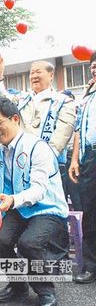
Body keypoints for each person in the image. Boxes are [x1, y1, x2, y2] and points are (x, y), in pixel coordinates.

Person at [0, 98, 68, 306]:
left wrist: (13, 199)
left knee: (29, 242)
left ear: (15, 119)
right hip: (16, 208)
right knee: (1, 240)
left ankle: (45, 290)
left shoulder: (38, 148)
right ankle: (18, 287)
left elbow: (38, 190)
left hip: (46, 209)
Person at [0, 54, 76, 168]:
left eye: (38, 72)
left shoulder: (64, 101)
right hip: (19, 160)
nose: (34, 76)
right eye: (32, 73)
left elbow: (62, 134)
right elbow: (1, 100)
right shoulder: (21, 99)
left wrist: (43, 159)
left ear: (51, 75)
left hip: (49, 163)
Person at [69, 52, 96, 284]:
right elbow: (78, 129)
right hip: (90, 158)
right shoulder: (86, 98)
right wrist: (75, 159)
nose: (95, 69)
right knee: (89, 212)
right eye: (93, 66)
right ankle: (90, 265)